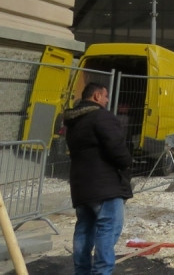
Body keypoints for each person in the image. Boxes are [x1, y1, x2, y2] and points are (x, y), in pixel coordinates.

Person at [64, 82, 133, 275]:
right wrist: (127, 162)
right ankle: (102, 272)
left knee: (84, 230)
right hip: (105, 186)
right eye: (105, 96)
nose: (107, 100)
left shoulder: (73, 122)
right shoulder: (101, 116)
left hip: (81, 187)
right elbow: (117, 147)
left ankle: (82, 272)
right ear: (96, 96)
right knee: (108, 230)